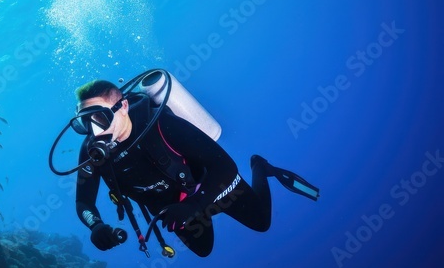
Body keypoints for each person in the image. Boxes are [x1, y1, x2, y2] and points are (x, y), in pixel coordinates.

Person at [72, 79, 319, 257]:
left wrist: (196, 204)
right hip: (174, 208)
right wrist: (96, 225)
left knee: (261, 222)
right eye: (85, 123)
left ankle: (260, 167)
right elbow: (84, 202)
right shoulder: (91, 153)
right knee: (203, 250)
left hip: (212, 185)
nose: (95, 131)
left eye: (100, 118)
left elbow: (226, 168)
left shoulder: (162, 124)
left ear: (123, 106)